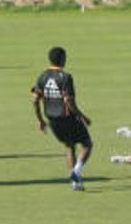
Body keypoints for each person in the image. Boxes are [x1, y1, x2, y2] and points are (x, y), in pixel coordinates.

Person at [32, 46, 93, 191]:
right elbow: (68, 102)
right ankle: (76, 172)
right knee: (87, 145)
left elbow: (35, 99)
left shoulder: (42, 76)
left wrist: (40, 120)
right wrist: (82, 116)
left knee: (69, 146)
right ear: (62, 59)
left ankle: (75, 183)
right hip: (68, 118)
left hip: (52, 120)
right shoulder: (65, 77)